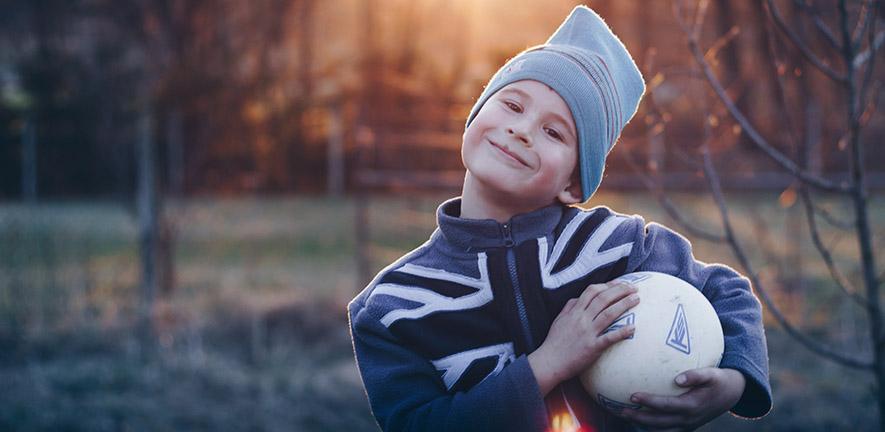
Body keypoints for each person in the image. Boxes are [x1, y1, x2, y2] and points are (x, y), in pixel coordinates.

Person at [348, 5, 771, 431]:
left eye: (554, 132)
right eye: (512, 105)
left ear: (573, 184)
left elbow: (726, 290)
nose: (522, 129)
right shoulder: (392, 308)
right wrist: (547, 364)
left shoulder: (617, 245)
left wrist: (734, 382)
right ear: (475, 116)